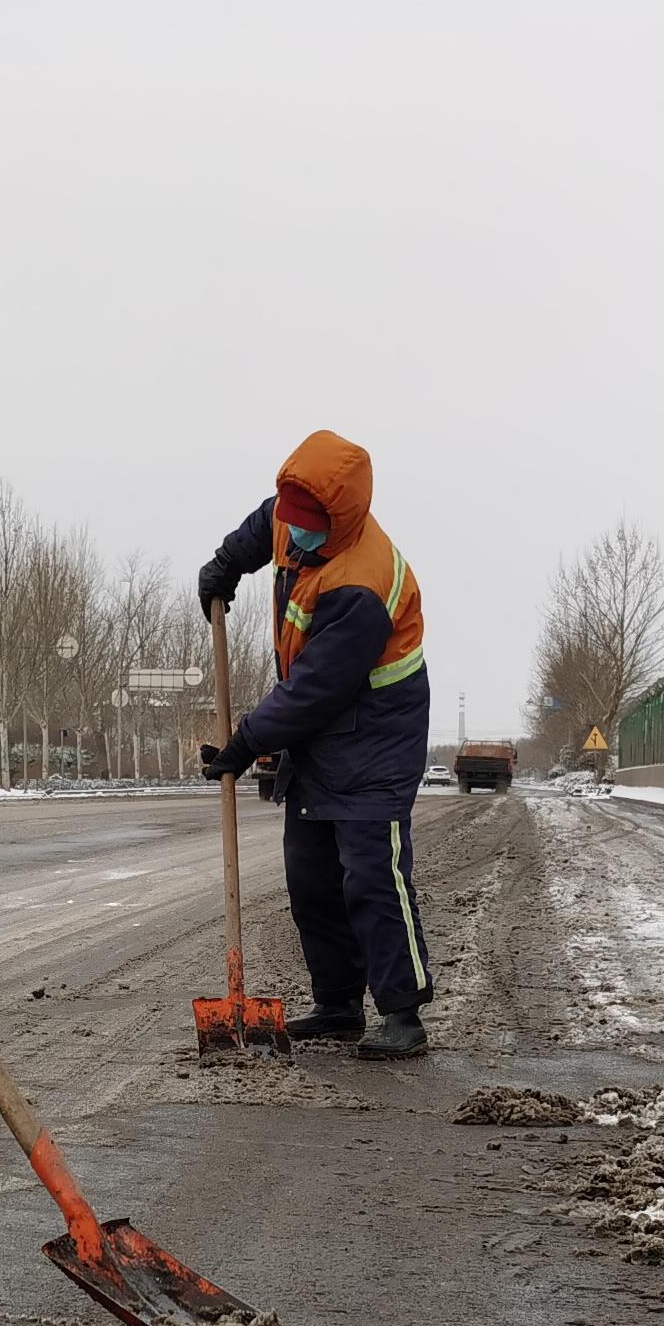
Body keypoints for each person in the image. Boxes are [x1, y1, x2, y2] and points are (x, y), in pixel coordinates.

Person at [195, 432, 435, 1059]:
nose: (293, 535)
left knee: (371, 876)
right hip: (319, 733)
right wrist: (225, 566)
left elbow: (315, 691)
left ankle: (403, 1012)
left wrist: (247, 741)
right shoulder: (291, 515)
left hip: (376, 736)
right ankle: (337, 1003)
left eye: (308, 526)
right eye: (289, 520)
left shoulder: (364, 581)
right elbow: (261, 527)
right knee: (311, 877)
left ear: (340, 517)